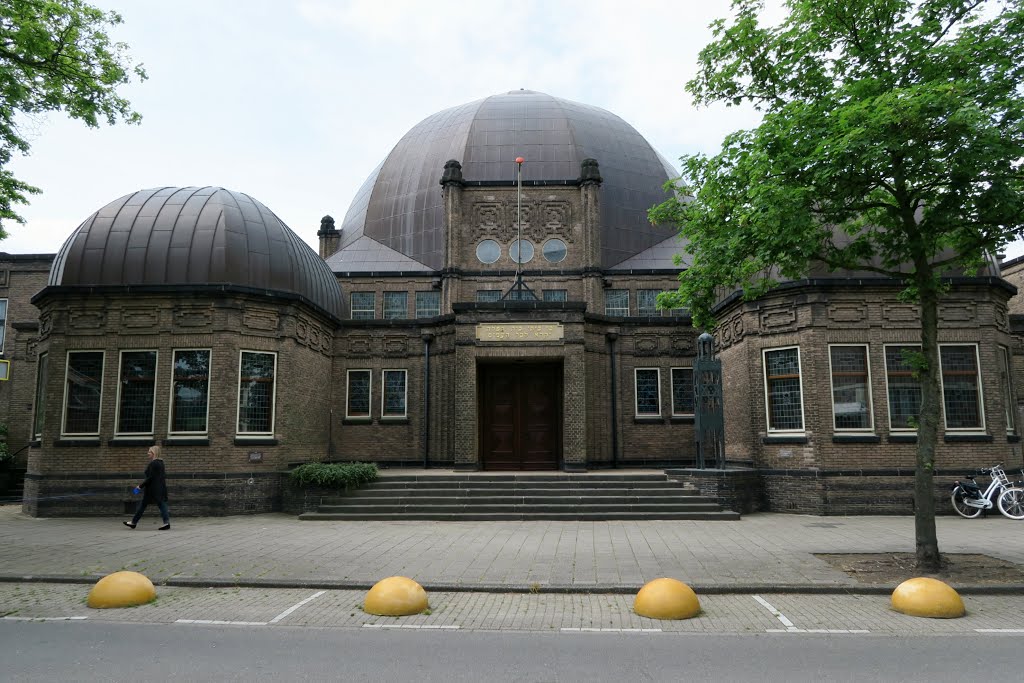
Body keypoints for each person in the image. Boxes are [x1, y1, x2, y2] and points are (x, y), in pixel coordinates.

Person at [123, 445, 170, 530]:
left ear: (154, 453)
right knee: (162, 505)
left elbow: (150, 478)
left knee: (143, 505)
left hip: (152, 489)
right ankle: (166, 523)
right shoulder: (161, 463)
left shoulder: (154, 463)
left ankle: (133, 522)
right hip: (160, 488)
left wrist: (140, 486)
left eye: (149, 452)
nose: (147, 453)